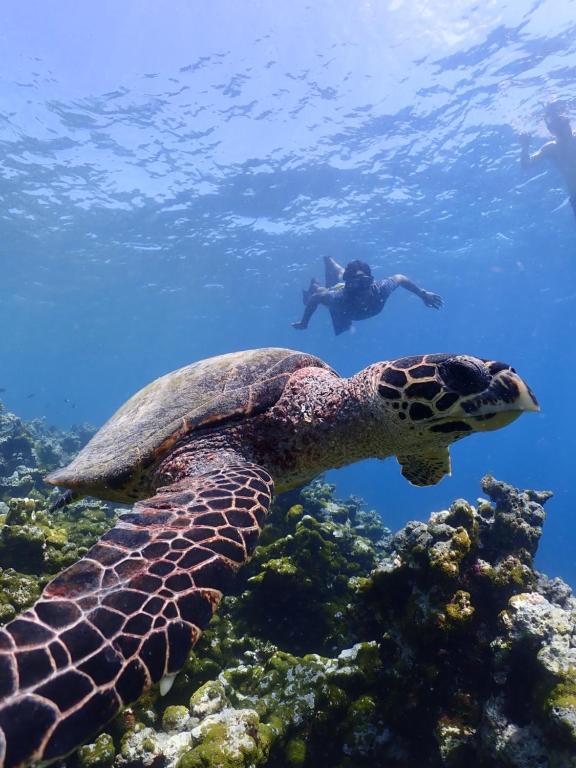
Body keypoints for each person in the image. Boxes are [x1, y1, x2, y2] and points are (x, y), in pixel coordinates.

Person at [292, 256, 443, 335]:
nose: (361, 290)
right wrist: (305, 322)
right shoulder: (338, 298)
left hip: (346, 296)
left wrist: (423, 294)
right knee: (319, 291)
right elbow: (316, 298)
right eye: (355, 284)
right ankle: (316, 283)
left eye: (364, 282)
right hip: (341, 294)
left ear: (371, 281)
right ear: (349, 285)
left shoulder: (380, 289)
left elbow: (400, 278)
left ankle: (333, 265)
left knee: (340, 277)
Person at [518, 102, 576, 218]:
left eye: (562, 122)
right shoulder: (551, 148)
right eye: (556, 125)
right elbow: (526, 165)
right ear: (551, 130)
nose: (562, 127)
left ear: (567, 121)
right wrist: (525, 147)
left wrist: (525, 146)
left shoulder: (552, 147)